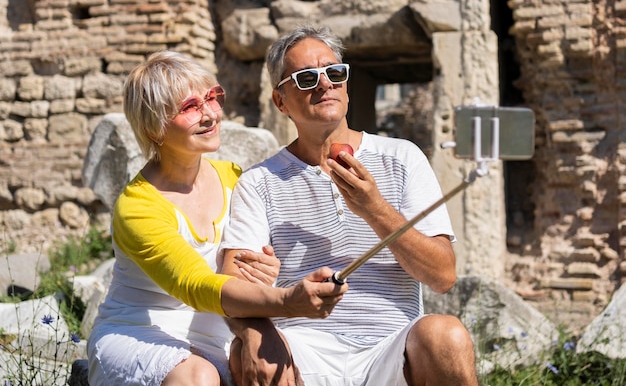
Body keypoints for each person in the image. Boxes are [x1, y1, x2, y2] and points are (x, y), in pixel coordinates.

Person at [220, 25, 478, 386]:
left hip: (389, 346)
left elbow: (443, 276)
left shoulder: (402, 158)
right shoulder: (259, 182)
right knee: (253, 348)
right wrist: (254, 330)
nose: (325, 84)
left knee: (445, 335)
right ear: (280, 101)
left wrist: (374, 208)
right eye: (307, 78)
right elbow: (230, 290)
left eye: (335, 73)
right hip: (302, 345)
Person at [86, 50, 347, 386]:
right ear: (154, 129)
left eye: (212, 98)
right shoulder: (137, 206)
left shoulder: (236, 178)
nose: (210, 114)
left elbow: (261, 256)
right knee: (200, 377)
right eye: (190, 107)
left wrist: (271, 268)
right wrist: (286, 301)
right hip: (141, 333)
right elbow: (194, 285)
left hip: (221, 331)